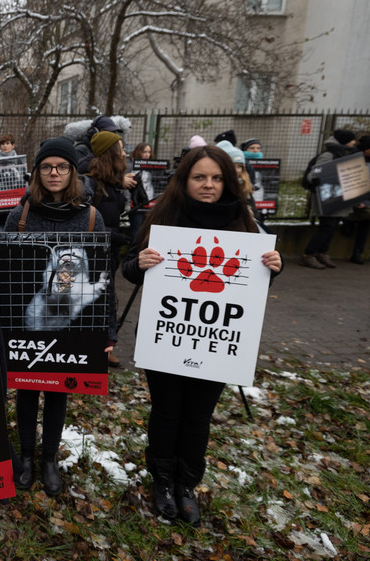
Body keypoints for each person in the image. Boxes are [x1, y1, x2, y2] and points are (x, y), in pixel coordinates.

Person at [122, 145, 282, 524]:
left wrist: (275, 265)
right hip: (169, 334)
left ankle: (186, 484)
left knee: (198, 415)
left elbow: (258, 275)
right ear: (185, 180)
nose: (208, 185)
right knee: (166, 411)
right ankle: (161, 482)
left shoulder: (244, 219)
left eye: (216, 178)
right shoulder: (163, 216)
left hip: (219, 340)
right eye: (200, 177)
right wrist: (140, 263)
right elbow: (129, 267)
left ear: (227, 181)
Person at [3, 137, 108, 496]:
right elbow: (6, 272)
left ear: (73, 172)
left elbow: (104, 279)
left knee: (60, 389)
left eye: (62, 166)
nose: (54, 173)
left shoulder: (91, 217)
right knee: (29, 390)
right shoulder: (21, 215)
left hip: (73, 325)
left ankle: (49, 458)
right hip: (31, 319)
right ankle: (28, 456)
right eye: (46, 166)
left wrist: (107, 333)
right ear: (37, 172)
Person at [84, 130, 132, 367]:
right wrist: (115, 236)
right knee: (97, 300)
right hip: (94, 254)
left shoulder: (114, 182)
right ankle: (95, 348)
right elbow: (85, 222)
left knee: (109, 300)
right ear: (109, 153)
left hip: (110, 252)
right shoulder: (91, 184)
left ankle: (106, 347)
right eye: (120, 149)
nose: (124, 153)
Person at [299, 130, 359, 269]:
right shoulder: (329, 155)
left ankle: (321, 252)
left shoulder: (344, 153)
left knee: (331, 227)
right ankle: (308, 255)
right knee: (327, 226)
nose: (354, 142)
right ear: (343, 141)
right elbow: (314, 175)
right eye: (351, 140)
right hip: (328, 198)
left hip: (338, 196)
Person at [346, 135, 370, 264]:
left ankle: (357, 252)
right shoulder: (353, 159)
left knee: (365, 224)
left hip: (364, 201)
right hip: (351, 200)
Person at [127, 142, 154, 244]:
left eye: (149, 152)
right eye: (144, 152)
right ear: (139, 152)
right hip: (136, 203)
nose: (147, 154)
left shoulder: (152, 167)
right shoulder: (131, 165)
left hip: (150, 202)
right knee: (136, 230)